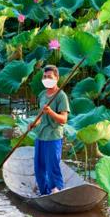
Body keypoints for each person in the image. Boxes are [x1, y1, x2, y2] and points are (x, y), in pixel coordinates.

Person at [34, 64, 70, 196]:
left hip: (53, 136)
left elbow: (63, 119)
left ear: (57, 78)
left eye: (49, 77)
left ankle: (57, 191)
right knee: (39, 168)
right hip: (40, 135)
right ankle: (44, 193)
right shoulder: (42, 95)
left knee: (52, 167)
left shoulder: (61, 96)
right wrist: (34, 123)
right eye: (44, 76)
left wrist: (50, 112)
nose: (46, 79)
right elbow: (40, 116)